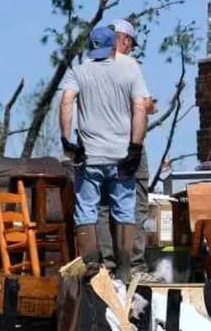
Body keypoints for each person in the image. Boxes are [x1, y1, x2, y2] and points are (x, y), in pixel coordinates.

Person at [60, 25, 152, 281]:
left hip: (89, 156)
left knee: (87, 210)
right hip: (121, 155)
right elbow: (141, 108)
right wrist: (135, 146)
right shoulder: (130, 69)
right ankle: (124, 270)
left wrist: (67, 141)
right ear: (114, 45)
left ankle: (93, 270)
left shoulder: (78, 72)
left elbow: (67, 102)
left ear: (91, 47)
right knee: (124, 210)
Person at [108, 19, 162, 283]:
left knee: (105, 204)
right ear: (125, 40)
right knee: (136, 203)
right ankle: (135, 268)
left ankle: (107, 268)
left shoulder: (91, 67)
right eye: (129, 42)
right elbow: (143, 104)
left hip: (101, 146)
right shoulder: (130, 66)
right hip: (130, 144)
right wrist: (150, 106)